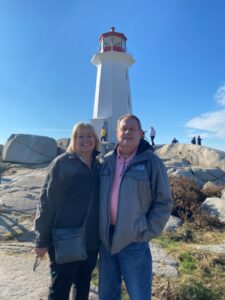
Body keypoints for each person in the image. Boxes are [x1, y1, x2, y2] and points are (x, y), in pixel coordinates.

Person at [98, 114, 173, 300]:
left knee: (139, 295)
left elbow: (164, 201)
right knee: (107, 295)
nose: (127, 132)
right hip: (106, 241)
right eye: (123, 128)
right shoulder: (106, 161)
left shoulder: (152, 162)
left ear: (141, 133)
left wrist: (145, 232)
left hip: (134, 241)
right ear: (116, 133)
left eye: (132, 129)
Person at [34, 123, 100, 300]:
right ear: (74, 139)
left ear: (96, 139)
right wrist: (42, 239)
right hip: (64, 237)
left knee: (83, 283)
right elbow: (46, 201)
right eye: (81, 136)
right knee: (60, 287)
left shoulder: (99, 166)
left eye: (89, 136)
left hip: (91, 239)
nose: (86, 140)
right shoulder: (62, 163)